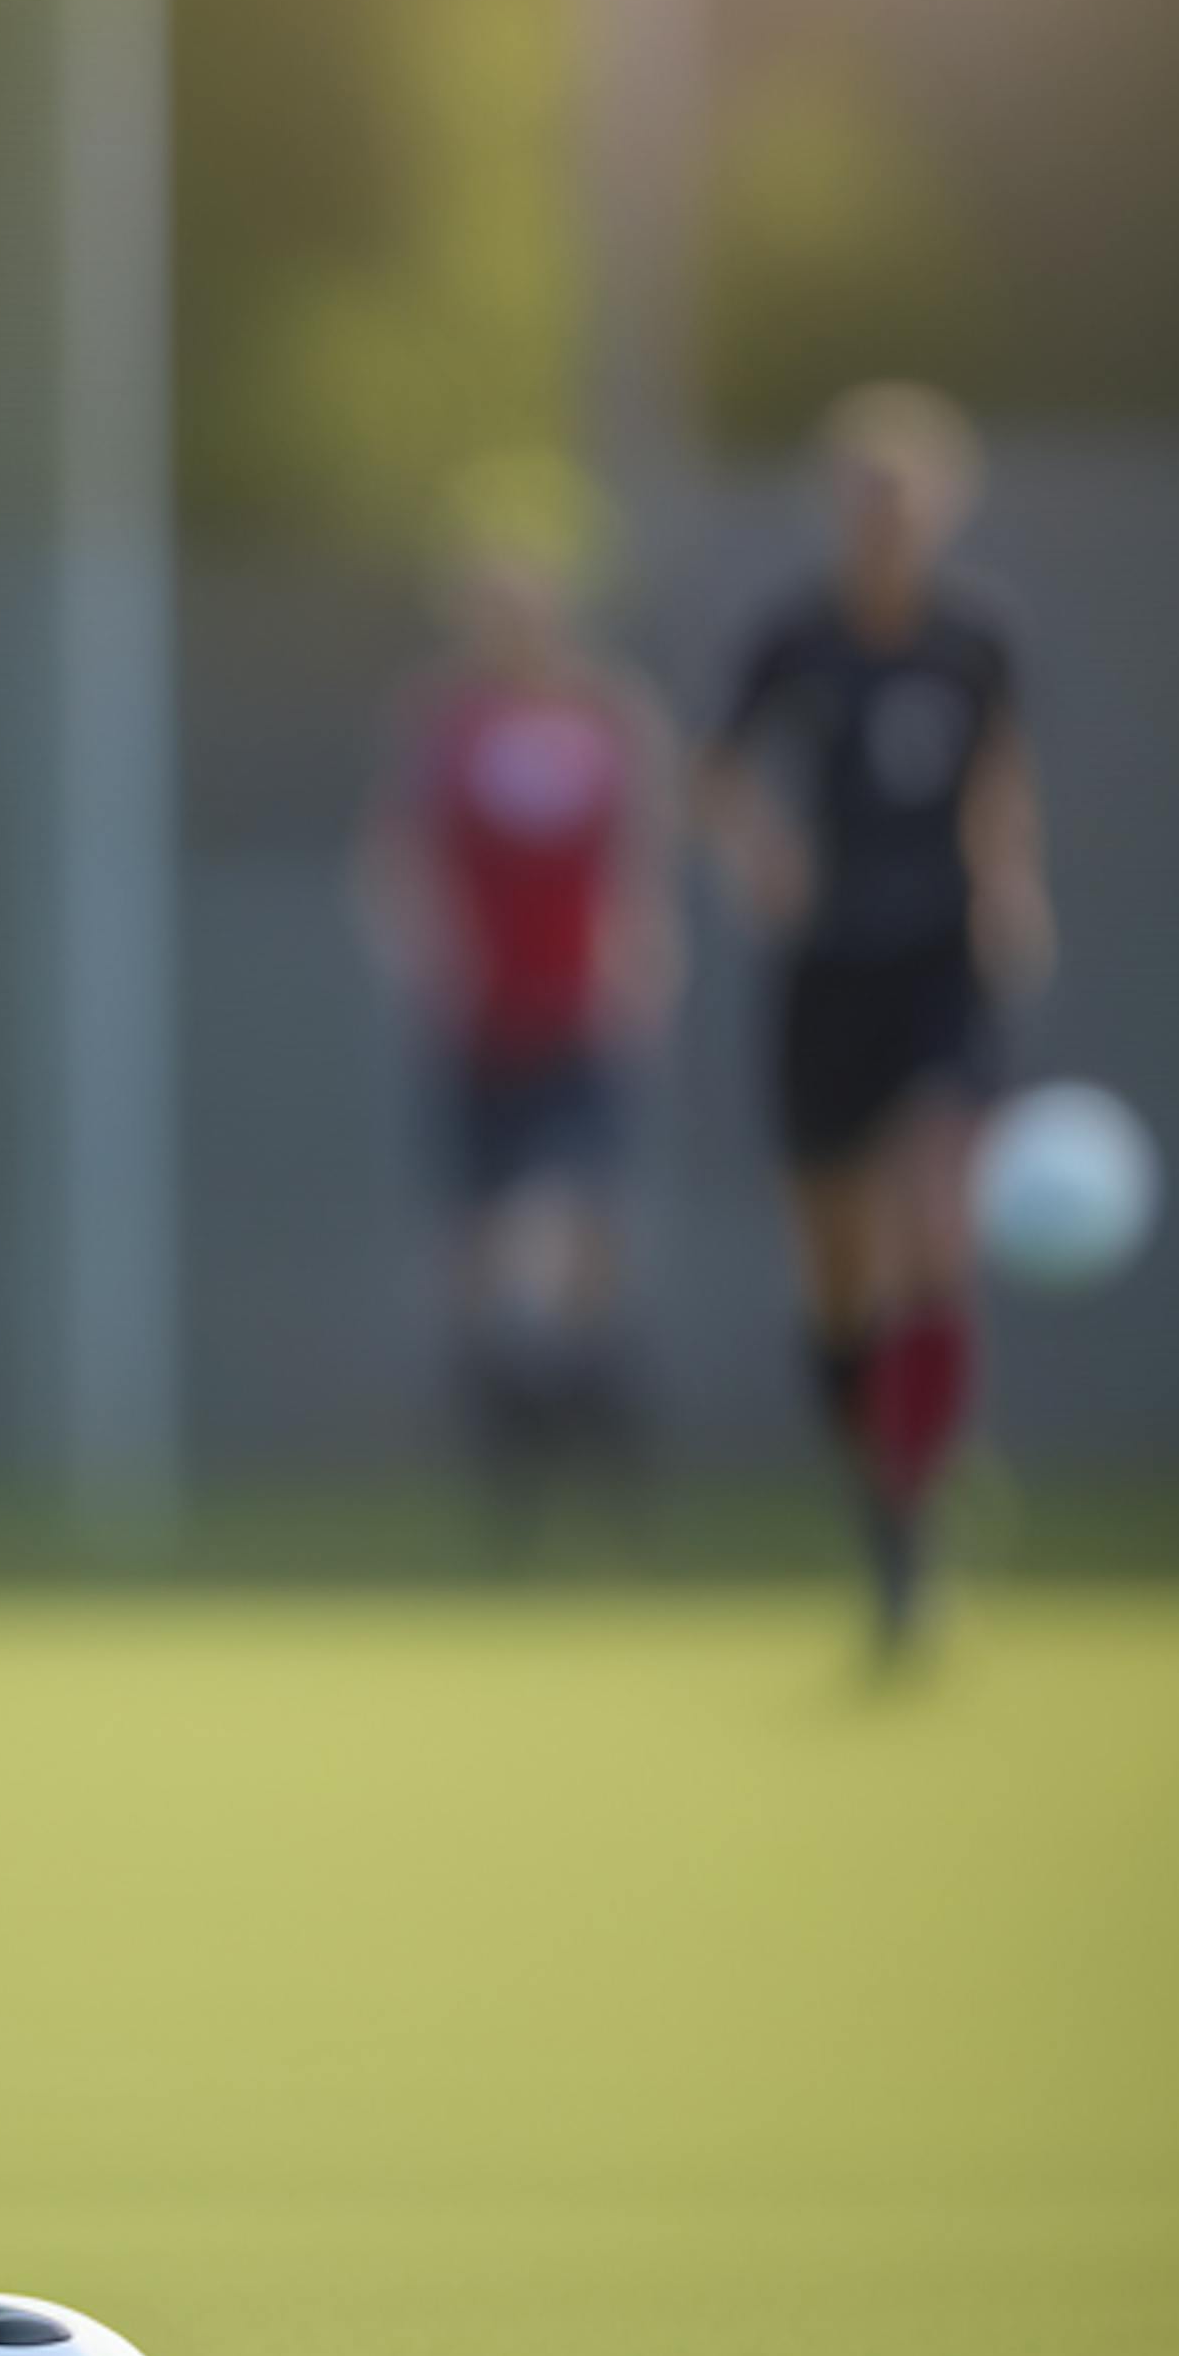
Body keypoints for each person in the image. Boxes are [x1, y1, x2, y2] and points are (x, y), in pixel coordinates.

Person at [698, 384, 1053, 1649]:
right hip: (827, 973)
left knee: (933, 1215)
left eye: (906, 501)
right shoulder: (796, 641)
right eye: (864, 499)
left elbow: (1001, 780)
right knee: (838, 1266)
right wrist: (761, 855)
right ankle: (879, 1494)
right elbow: (719, 776)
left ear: (943, 510)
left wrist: (1011, 881)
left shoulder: (976, 642)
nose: (885, 523)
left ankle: (923, 1481)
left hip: (939, 969)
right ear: (836, 511)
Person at [354, 519, 681, 1531]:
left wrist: (645, 952)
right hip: (481, 1027)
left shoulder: (609, 714)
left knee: (577, 1233)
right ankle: (513, 1464)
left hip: (579, 1019)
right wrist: (422, 949)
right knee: (483, 1247)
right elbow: (397, 858)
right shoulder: (444, 723)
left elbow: (643, 854)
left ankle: (600, 1427)